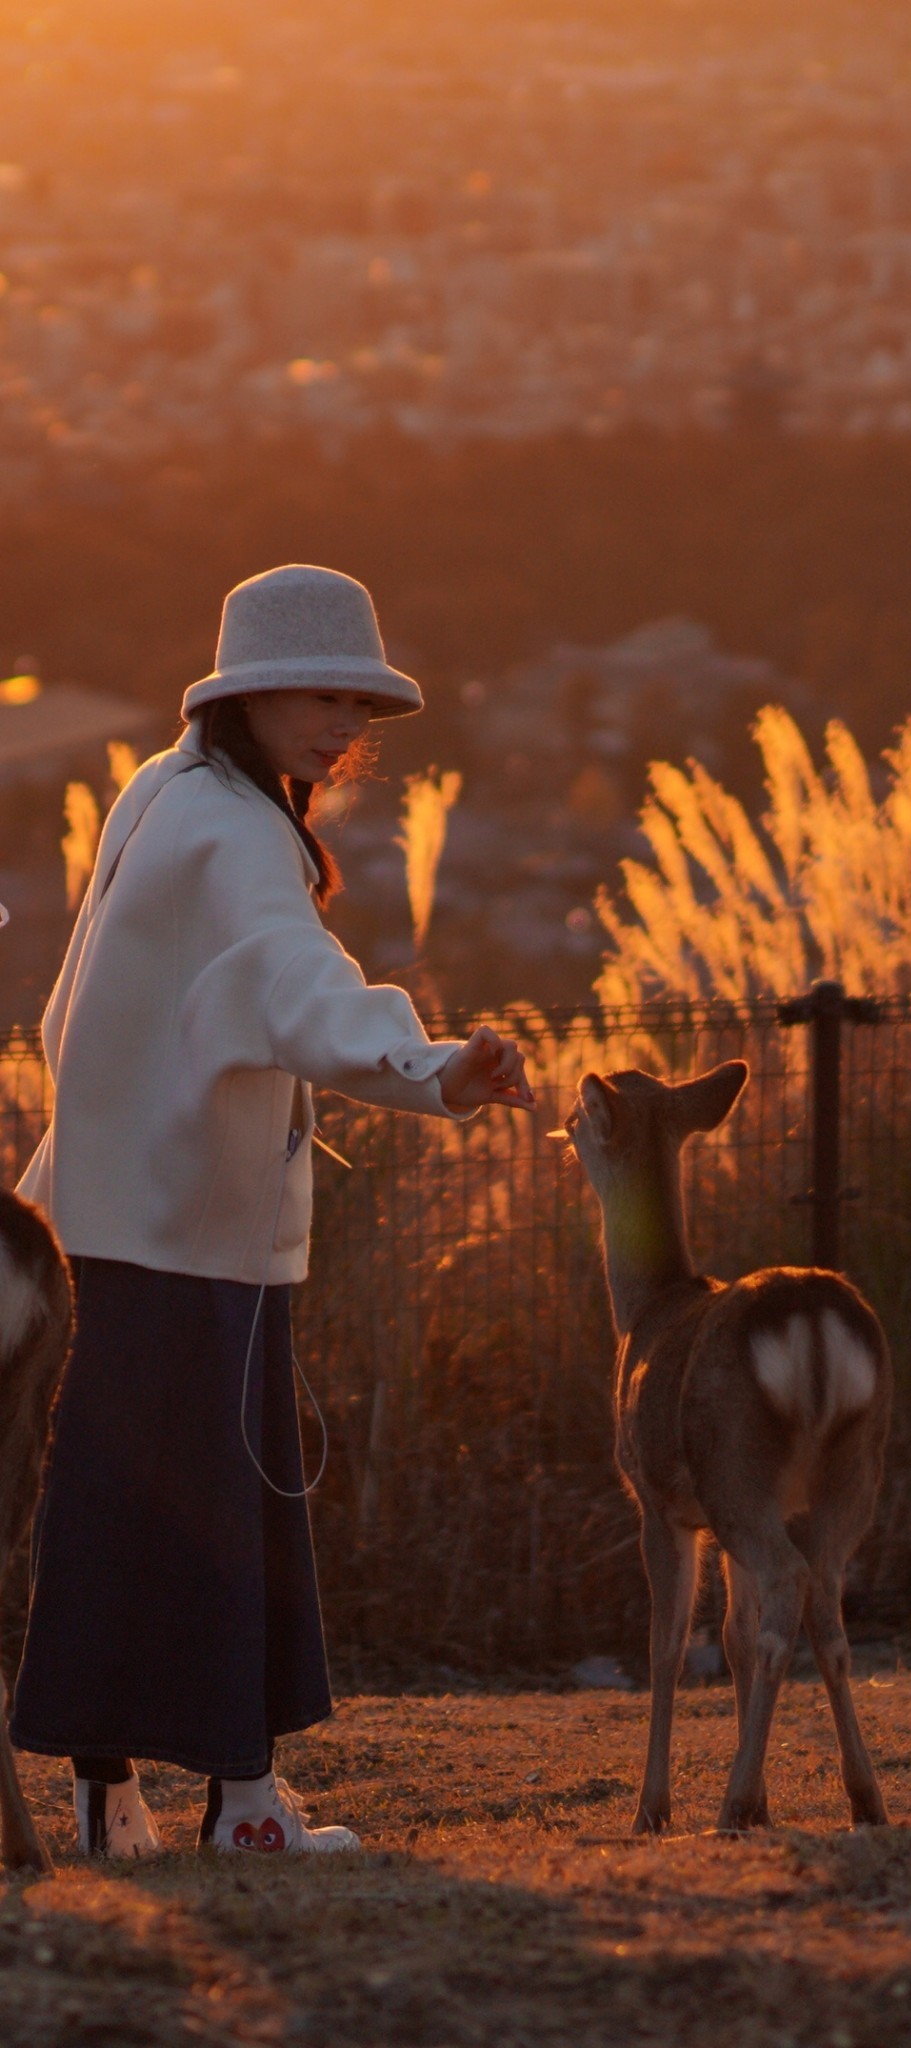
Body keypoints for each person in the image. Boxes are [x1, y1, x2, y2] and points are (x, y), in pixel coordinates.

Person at [9, 564, 535, 1858]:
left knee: (114, 1520)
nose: (341, 725)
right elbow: (303, 984)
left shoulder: (161, 791)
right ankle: (245, 1812)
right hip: (194, 1240)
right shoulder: (241, 835)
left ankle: (104, 1798)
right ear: (244, 694)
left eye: (355, 700)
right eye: (315, 694)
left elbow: (66, 1010)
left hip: (99, 1222)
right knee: (221, 1522)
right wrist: (434, 1067)